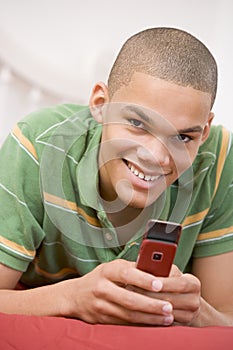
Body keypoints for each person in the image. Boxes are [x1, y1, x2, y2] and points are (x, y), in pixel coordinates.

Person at [0, 27, 232, 327]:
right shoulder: (38, 144)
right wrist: (73, 298)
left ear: (204, 131)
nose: (158, 157)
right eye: (138, 123)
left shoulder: (219, 158)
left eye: (183, 137)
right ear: (100, 104)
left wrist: (197, 312)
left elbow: (226, 319)